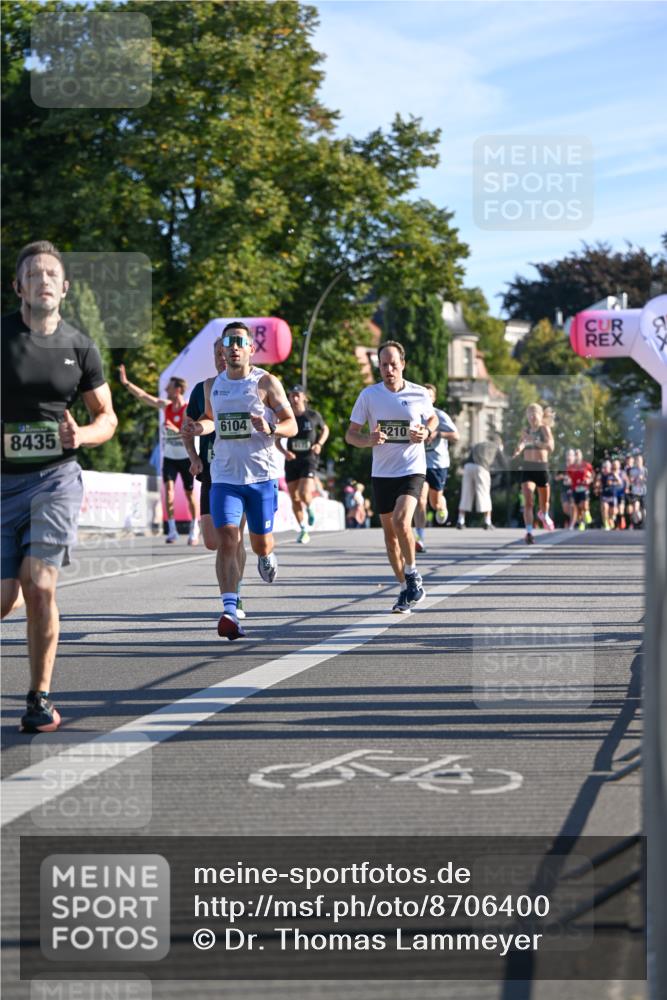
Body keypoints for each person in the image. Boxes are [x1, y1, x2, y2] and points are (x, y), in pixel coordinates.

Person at [1, 240, 118, 732]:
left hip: (56, 479)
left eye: (51, 273)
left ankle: (39, 697)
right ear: (19, 287)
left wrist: (84, 435)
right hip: (3, 485)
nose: (43, 279)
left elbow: (106, 417)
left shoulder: (79, 346)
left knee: (41, 584)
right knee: (5, 599)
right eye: (34, 273)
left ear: (64, 288)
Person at [188, 321, 297, 640]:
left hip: (261, 476)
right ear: (221, 349)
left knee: (259, 543)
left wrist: (271, 428)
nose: (234, 346)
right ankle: (230, 610)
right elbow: (211, 420)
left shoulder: (266, 383)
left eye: (240, 341)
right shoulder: (212, 386)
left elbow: (291, 424)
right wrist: (200, 429)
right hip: (223, 476)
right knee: (227, 539)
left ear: (251, 349)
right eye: (228, 341)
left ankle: (266, 555)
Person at [346, 340, 437, 614]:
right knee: (390, 538)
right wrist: (368, 439)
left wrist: (426, 433)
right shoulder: (369, 396)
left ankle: (412, 574)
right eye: (383, 365)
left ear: (403, 365)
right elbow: (351, 435)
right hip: (382, 472)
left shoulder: (419, 393)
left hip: (411, 469)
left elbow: (432, 420)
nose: (388, 370)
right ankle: (405, 589)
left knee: (401, 521)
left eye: (393, 365)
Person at [181, 337, 248, 618]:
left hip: (241, 471)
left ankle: (235, 596)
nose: (223, 357)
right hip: (211, 471)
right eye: (217, 353)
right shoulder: (202, 389)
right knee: (213, 540)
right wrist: (194, 457)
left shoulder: (250, 385)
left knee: (232, 536)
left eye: (226, 352)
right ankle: (231, 572)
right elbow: (186, 427)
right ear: (214, 356)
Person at [118, 365, 199, 545]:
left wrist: (175, 430)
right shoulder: (166, 406)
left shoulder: (187, 409)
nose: (165, 390)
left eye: (168, 387)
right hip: (170, 458)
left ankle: (194, 528)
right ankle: (172, 530)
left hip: (186, 458)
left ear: (177, 389)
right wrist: (126, 383)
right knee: (168, 493)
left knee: (189, 494)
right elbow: (144, 397)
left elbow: (190, 431)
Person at [276, 385, 329, 544]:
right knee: (294, 498)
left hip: (309, 459)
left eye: (298, 395)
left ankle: (310, 508)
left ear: (304, 397)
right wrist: (285, 453)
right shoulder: (287, 416)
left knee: (304, 493)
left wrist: (319, 443)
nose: (295, 398)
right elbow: (276, 439)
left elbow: (325, 429)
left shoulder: (312, 415)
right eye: (292, 395)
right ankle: (304, 529)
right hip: (292, 460)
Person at [413, 384, 458, 553]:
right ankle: (420, 538)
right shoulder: (415, 415)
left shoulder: (440, 416)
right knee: (420, 500)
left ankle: (442, 505)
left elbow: (456, 435)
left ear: (433, 398)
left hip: (439, 464)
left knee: (435, 502)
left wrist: (439, 434)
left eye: (429, 395)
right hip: (420, 463)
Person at [512, 403, 555, 545]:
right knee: (528, 500)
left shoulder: (544, 429)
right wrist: (518, 450)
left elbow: (550, 447)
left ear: (540, 415)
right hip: (528, 468)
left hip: (541, 468)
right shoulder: (525, 430)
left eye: (534, 413)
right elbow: (522, 444)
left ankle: (544, 514)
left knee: (544, 503)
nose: (531, 416)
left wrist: (535, 440)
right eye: (529, 413)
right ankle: (529, 532)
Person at [456, 433, 506, 530]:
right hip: (481, 468)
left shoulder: (478, 444)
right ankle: (487, 521)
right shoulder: (496, 446)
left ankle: (460, 521)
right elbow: (503, 463)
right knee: (484, 493)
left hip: (468, 467)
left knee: (466, 494)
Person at [567, 449, 594, 531]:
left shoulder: (586, 465)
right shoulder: (571, 467)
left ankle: (587, 513)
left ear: (581, 455)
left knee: (584, 504)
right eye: (575, 454)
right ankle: (581, 523)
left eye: (578, 454)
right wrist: (568, 481)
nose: (577, 455)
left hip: (584, 487)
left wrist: (589, 480)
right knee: (578, 508)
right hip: (575, 488)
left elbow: (592, 476)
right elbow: (569, 478)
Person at [626, 453, 647, 529]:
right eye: (637, 460)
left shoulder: (646, 470)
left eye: (639, 460)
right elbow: (630, 481)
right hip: (635, 492)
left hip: (644, 492)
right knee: (636, 508)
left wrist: (643, 479)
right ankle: (637, 523)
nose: (638, 461)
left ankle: (644, 523)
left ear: (642, 461)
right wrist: (632, 481)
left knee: (644, 510)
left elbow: (649, 481)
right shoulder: (632, 470)